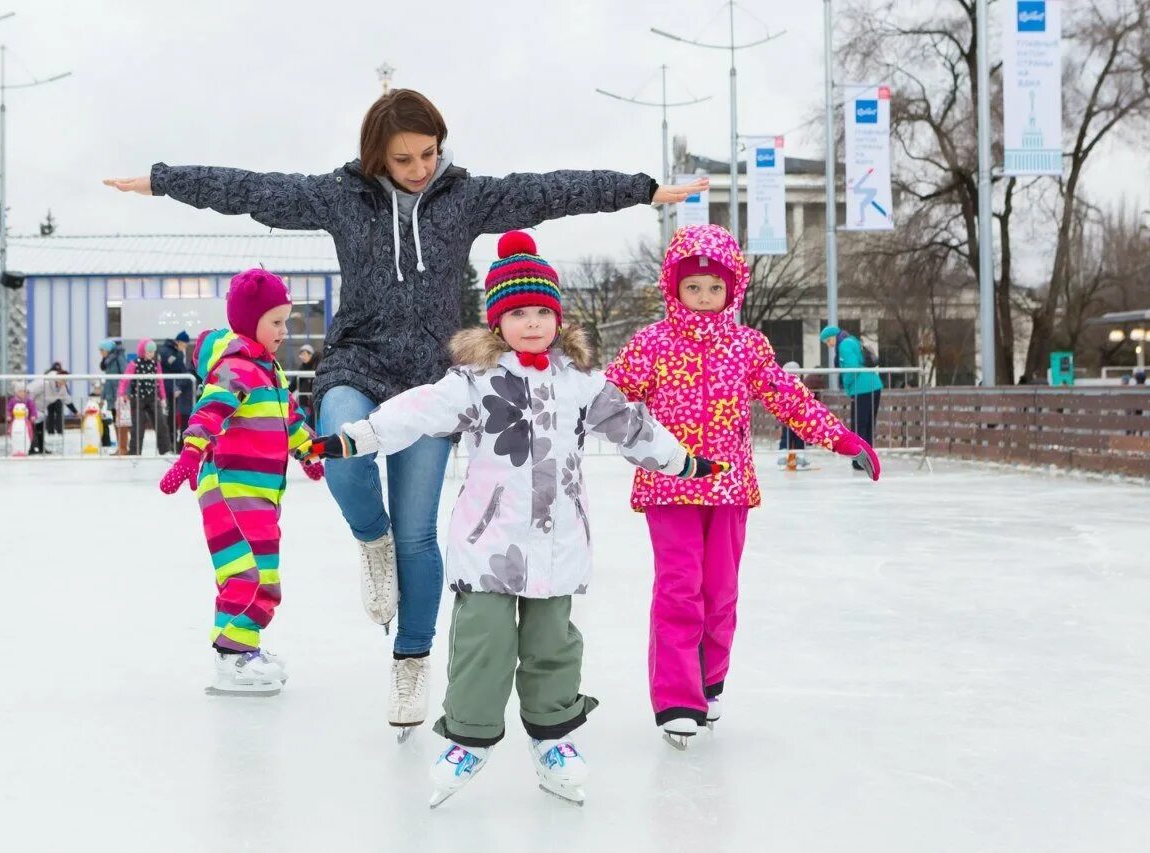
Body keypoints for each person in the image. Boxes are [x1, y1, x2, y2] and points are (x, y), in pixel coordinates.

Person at [104, 88, 708, 717]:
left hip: (431, 375)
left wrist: (639, 189)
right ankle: (372, 540)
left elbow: (552, 191)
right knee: (341, 454)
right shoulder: (341, 198)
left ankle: (410, 662)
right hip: (358, 361)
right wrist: (162, 181)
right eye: (403, 159)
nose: (420, 168)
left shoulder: (465, 198)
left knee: (419, 531)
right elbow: (255, 191)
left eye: (429, 153)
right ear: (376, 158)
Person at [311, 233, 725, 807]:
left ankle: (554, 740)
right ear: (497, 322)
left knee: (554, 645)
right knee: (483, 642)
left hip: (559, 544)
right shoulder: (474, 383)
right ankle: (469, 739)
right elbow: (416, 410)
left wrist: (681, 460)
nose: (531, 324)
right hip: (489, 546)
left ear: (557, 318)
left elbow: (633, 427)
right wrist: (354, 437)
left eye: (541, 312)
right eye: (517, 314)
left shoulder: (582, 384)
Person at [606, 224, 881, 747]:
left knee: (720, 592)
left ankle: (709, 682)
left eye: (715, 288)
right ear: (674, 288)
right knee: (679, 588)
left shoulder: (746, 345)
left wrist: (844, 439)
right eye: (693, 288)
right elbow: (605, 401)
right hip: (670, 487)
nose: (704, 299)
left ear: (733, 289)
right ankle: (676, 698)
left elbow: (788, 399)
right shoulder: (653, 343)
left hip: (729, 488)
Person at [158, 269, 321, 696]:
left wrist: (310, 454)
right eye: (276, 322)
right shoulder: (236, 369)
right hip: (231, 491)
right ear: (250, 322)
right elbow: (210, 411)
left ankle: (244, 648)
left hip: (262, 496)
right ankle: (232, 659)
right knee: (244, 574)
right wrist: (190, 454)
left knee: (264, 577)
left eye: (287, 321)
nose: (284, 331)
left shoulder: (270, 374)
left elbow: (291, 420)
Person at [820, 325, 884, 471]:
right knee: (867, 425)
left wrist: (846, 384)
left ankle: (860, 460)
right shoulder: (851, 340)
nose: (829, 345)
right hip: (872, 385)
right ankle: (868, 458)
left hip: (862, 387)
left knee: (859, 425)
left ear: (832, 337)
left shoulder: (844, 345)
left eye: (827, 341)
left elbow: (851, 368)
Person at [117, 340, 170, 456]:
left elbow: (160, 381)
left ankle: (165, 450)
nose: (151, 354)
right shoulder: (134, 364)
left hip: (153, 398)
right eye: (149, 352)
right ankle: (135, 451)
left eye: (153, 352)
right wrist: (121, 394)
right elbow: (125, 380)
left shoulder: (156, 364)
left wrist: (163, 398)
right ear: (142, 351)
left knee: (161, 423)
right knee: (138, 426)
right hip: (138, 398)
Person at [158, 331, 194, 449]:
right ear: (178, 342)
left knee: (175, 416)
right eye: (184, 344)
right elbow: (175, 365)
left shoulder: (177, 352)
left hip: (176, 389)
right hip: (168, 389)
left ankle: (175, 442)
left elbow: (182, 369)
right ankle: (170, 442)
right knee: (170, 417)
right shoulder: (166, 350)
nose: (185, 347)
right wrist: (179, 352)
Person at [98, 340, 125, 448]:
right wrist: (102, 397)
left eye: (102, 350)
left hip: (119, 395)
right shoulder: (109, 361)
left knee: (121, 421)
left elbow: (125, 374)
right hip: (112, 395)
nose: (101, 353)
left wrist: (123, 393)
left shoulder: (118, 357)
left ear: (108, 350)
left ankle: (123, 447)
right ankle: (120, 446)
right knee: (116, 421)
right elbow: (108, 381)